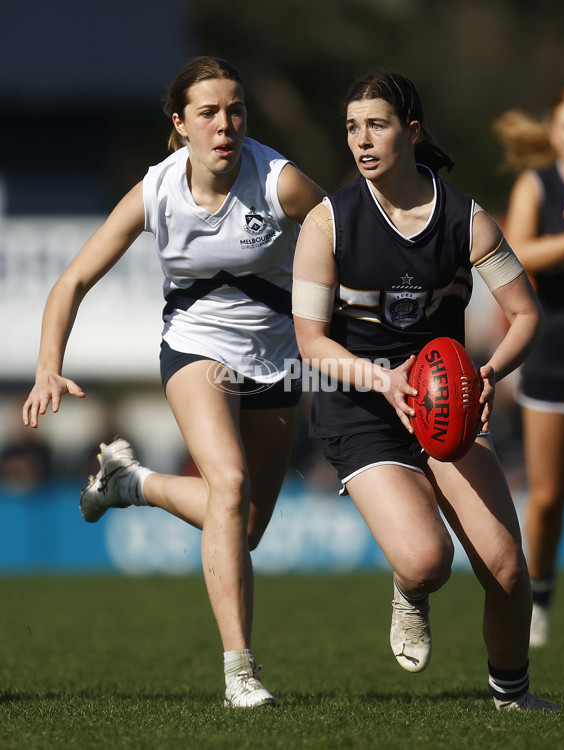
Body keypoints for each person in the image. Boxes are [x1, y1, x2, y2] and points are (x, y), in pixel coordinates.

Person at [22, 56, 325, 708]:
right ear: (180, 123)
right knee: (230, 482)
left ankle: (134, 482)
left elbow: (352, 245)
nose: (225, 124)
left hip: (275, 360)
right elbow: (71, 281)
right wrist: (49, 365)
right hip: (194, 351)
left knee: (244, 527)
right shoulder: (156, 189)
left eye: (236, 109)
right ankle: (239, 671)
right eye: (209, 112)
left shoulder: (282, 182)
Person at [292, 69, 559, 711]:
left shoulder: (469, 222)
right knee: (426, 562)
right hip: (361, 406)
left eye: (377, 125)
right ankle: (409, 586)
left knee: (506, 566)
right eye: (353, 127)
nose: (362, 139)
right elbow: (311, 343)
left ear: (411, 133)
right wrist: (384, 381)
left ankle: (512, 697)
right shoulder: (326, 224)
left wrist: (490, 372)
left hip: (447, 406)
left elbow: (526, 315)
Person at [494, 85, 564, 647]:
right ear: (554, 135)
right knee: (550, 495)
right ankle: (540, 595)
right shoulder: (538, 186)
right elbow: (517, 253)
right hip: (553, 352)